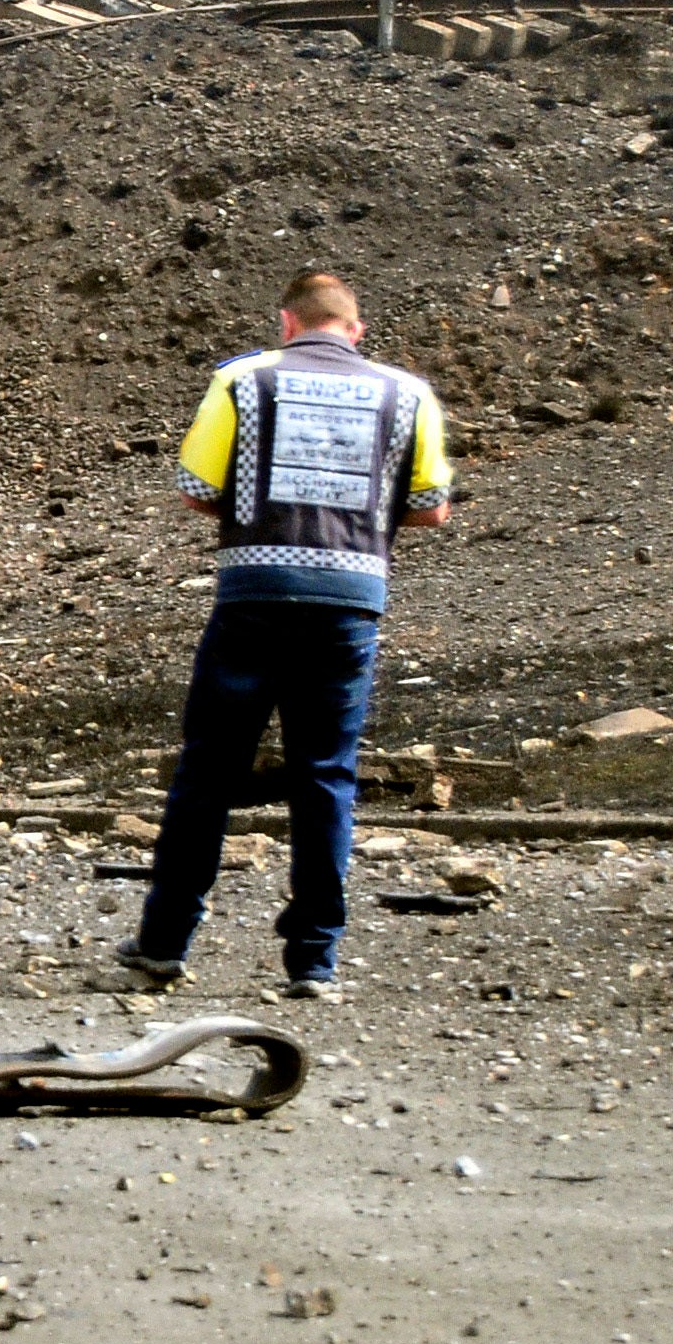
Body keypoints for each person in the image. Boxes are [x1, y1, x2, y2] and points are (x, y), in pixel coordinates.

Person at [119, 271, 455, 1002]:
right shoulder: (409, 394)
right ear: (355, 330)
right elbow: (431, 508)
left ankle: (163, 945)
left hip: (253, 596)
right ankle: (313, 963)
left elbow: (197, 490)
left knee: (207, 773)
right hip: (349, 605)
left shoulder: (242, 380)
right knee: (326, 775)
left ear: (287, 323)